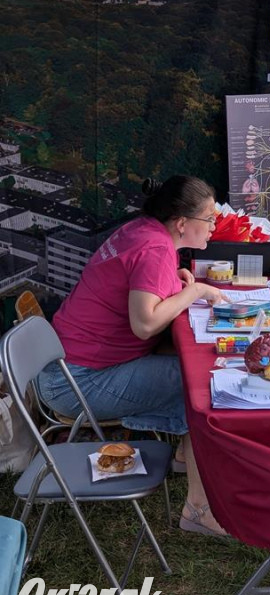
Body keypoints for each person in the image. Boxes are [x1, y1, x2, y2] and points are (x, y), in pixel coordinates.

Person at [38, 175, 228, 536]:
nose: (213, 226)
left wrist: (174, 280)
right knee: (198, 381)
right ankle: (198, 510)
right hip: (76, 383)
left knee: (189, 364)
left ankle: (185, 457)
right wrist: (194, 292)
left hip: (65, 367)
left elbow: (139, 282)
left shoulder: (144, 230)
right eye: (209, 219)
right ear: (182, 223)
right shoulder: (155, 248)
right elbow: (145, 324)